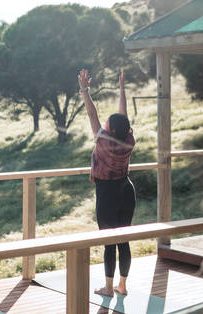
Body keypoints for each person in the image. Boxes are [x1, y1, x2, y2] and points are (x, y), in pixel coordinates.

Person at [78, 69, 136, 297]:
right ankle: (122, 285)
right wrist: (121, 88)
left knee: (109, 241)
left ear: (110, 129)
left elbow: (91, 114)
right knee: (123, 239)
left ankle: (109, 288)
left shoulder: (103, 140)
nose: (104, 122)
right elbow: (124, 116)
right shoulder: (128, 139)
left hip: (107, 194)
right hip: (126, 190)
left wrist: (85, 91)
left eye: (107, 122)